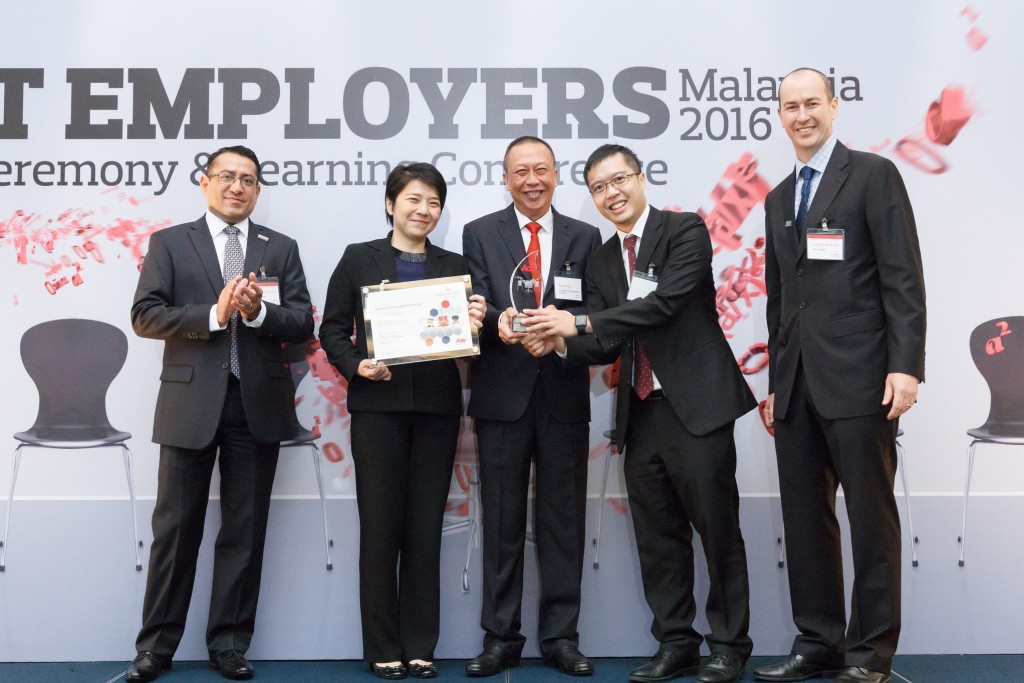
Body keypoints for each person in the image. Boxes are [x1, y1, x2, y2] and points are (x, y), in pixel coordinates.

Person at [524, 143, 756, 683]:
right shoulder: (603, 258)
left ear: (641, 178)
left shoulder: (684, 230)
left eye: (619, 180)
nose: (611, 194)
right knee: (657, 537)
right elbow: (607, 340)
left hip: (696, 406)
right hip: (641, 410)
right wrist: (550, 341)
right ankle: (677, 642)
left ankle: (730, 644)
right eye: (599, 188)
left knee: (717, 531)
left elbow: (663, 305)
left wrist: (576, 324)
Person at [754, 68, 926, 683]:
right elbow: (780, 303)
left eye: (811, 104)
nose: (801, 115)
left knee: (869, 520)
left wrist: (905, 367)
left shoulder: (873, 176)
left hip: (862, 379)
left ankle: (871, 654)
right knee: (804, 519)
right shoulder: (778, 198)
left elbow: (901, 277)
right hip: (797, 386)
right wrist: (777, 383)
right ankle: (817, 642)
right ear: (779, 115)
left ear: (833, 106)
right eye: (789, 106)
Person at [127, 145, 314, 681]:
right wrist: (215, 313)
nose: (237, 187)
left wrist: (258, 314)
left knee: (245, 528)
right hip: (190, 402)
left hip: (258, 404)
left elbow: (302, 321)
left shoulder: (280, 248)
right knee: (176, 529)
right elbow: (145, 315)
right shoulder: (170, 242)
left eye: (248, 180)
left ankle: (229, 642)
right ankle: (156, 647)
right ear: (205, 183)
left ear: (258, 191)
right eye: (227, 177)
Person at [318, 163, 486, 680]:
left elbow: (465, 341)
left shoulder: (455, 265)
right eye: (413, 199)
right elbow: (331, 329)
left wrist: (473, 320)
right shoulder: (357, 258)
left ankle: (420, 644)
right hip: (378, 409)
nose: (423, 210)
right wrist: (356, 366)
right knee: (381, 530)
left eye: (433, 203)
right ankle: (383, 646)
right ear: (391, 203)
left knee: (424, 530)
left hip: (436, 410)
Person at [461, 136, 602, 677]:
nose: (531, 180)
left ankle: (561, 638)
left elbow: (596, 309)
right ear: (506, 178)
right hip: (502, 397)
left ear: (556, 174)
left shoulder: (584, 237)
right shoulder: (480, 233)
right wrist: (494, 320)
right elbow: (474, 299)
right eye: (520, 171)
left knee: (563, 522)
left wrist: (563, 336)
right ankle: (500, 638)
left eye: (541, 170)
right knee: (501, 523)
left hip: (564, 394)